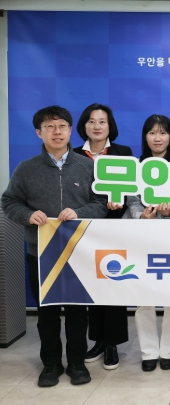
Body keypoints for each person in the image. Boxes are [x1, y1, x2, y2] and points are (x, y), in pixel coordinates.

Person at [1, 106, 108, 387]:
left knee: (77, 312)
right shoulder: (26, 168)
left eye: (62, 126)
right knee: (47, 313)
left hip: (78, 253)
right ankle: (50, 364)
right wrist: (27, 215)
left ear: (71, 130)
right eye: (49, 127)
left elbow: (101, 204)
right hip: (40, 253)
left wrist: (79, 213)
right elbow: (9, 201)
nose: (56, 131)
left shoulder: (88, 166)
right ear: (39, 132)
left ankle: (76, 362)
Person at [73, 103, 132, 370]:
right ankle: (97, 340)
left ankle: (112, 344)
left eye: (102, 121)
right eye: (91, 121)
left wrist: (120, 201)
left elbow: (132, 189)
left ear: (110, 126)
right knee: (92, 285)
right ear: (83, 125)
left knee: (114, 283)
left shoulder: (123, 153)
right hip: (84, 229)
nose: (97, 126)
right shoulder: (74, 155)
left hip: (115, 227)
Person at [125, 114, 170, 372]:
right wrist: (141, 216)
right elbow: (131, 200)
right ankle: (148, 352)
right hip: (142, 239)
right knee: (143, 297)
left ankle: (168, 350)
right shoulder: (136, 167)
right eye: (152, 132)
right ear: (145, 137)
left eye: (163, 132)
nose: (157, 138)